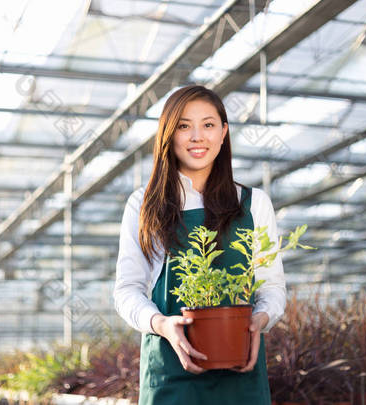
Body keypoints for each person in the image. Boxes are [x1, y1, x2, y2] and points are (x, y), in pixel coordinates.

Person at [113, 84, 286, 405]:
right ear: (168, 135)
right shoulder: (143, 204)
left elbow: (271, 287)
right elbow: (127, 290)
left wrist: (259, 320)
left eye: (208, 125)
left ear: (224, 133)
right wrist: (162, 325)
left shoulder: (253, 203)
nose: (197, 136)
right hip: (170, 372)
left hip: (240, 375)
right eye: (183, 126)